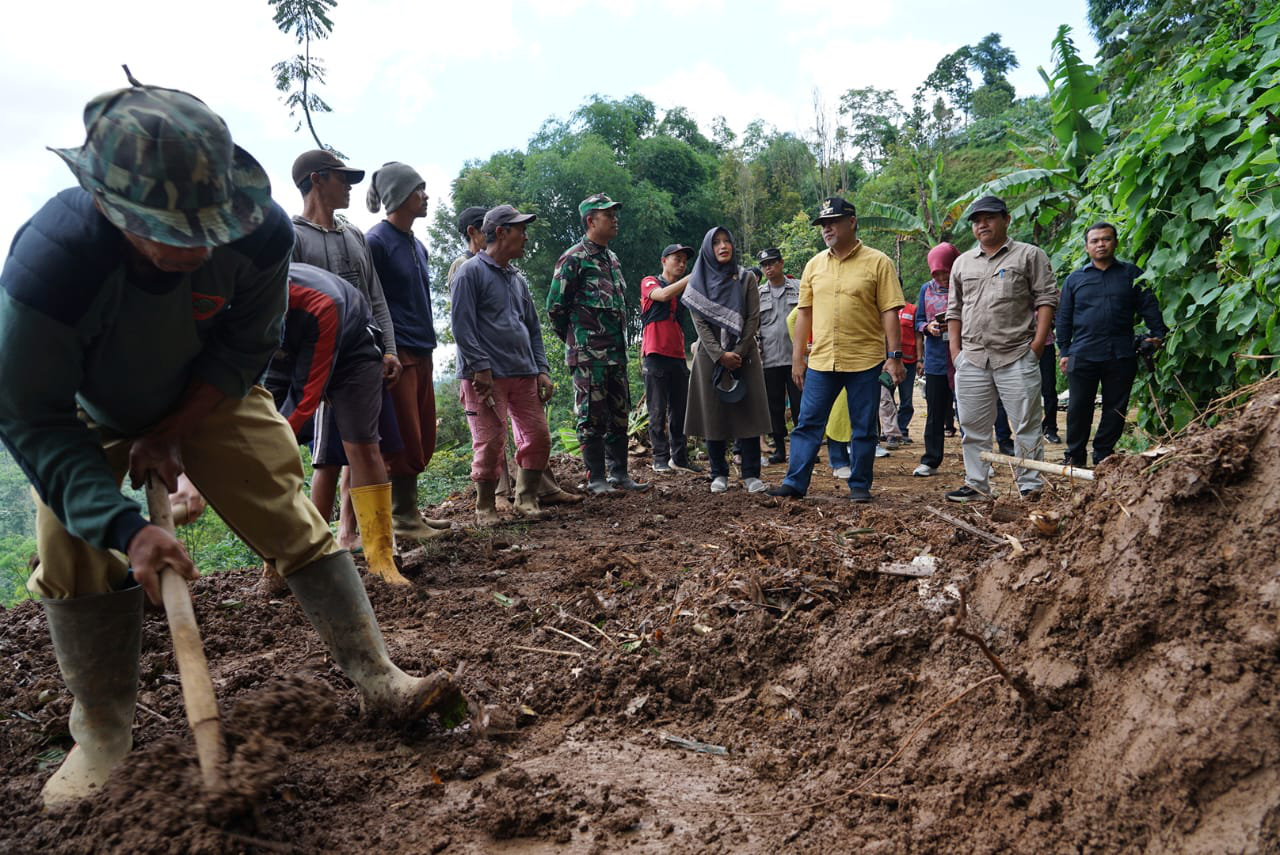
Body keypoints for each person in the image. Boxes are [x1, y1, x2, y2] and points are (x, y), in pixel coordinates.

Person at [0, 80, 463, 808]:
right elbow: (33, 419)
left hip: (205, 390)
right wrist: (130, 528)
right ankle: (102, 735)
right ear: (112, 209)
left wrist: (176, 428)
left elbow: (245, 347)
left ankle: (377, 674)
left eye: (205, 225)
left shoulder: (259, 233)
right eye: (168, 230)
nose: (194, 244)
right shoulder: (50, 268)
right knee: (70, 550)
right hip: (85, 411)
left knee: (284, 504)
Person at [268, 262, 423, 582]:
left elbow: (306, 399)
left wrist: (268, 447)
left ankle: (381, 557)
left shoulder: (320, 303)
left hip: (354, 349)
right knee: (265, 430)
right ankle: (279, 562)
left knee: (361, 446)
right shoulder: (236, 303)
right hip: (286, 347)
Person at [290, 149, 403, 549]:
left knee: (368, 449)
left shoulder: (354, 234)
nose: (352, 188)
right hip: (318, 361)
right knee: (325, 458)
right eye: (343, 180)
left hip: (363, 357)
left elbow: (376, 297)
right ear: (317, 180)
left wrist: (388, 349)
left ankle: (379, 551)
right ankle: (311, 551)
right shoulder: (293, 237)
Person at [768, 197, 905, 503]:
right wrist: (797, 359)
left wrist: (894, 357)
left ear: (852, 222)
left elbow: (890, 311)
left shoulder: (878, 262)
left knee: (863, 427)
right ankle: (795, 483)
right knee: (808, 424)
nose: (826, 229)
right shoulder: (814, 265)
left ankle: (859, 485)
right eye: (823, 225)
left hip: (865, 361)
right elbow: (804, 313)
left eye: (833, 222)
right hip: (821, 361)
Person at [450, 205, 582, 508]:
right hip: (486, 377)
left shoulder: (516, 279)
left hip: (523, 373)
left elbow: (533, 329)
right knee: (490, 442)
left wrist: (542, 369)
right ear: (500, 232)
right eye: (520, 230)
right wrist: (480, 367)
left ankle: (526, 498)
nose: (526, 237)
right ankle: (485, 507)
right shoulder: (469, 272)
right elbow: (462, 326)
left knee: (538, 437)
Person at [945, 195, 1059, 502]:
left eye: (989, 218)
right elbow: (953, 310)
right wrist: (956, 352)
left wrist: (1036, 346)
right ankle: (977, 483)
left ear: (1006, 220)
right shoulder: (962, 263)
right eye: (976, 220)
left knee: (1026, 423)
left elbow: (1047, 299)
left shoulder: (1029, 256)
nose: (982, 224)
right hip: (972, 358)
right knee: (972, 426)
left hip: (1016, 354)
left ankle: (1030, 485)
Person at [365, 162, 452, 540]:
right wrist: (385, 350)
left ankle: (411, 511)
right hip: (396, 351)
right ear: (400, 195)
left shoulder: (417, 245)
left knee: (420, 436)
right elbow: (369, 299)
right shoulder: (376, 242)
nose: (426, 196)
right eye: (420, 189)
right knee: (401, 435)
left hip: (423, 346)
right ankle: (401, 518)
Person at [548, 193, 649, 494]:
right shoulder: (573, 259)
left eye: (615, 213)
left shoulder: (613, 259)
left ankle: (620, 474)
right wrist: (578, 342)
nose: (615, 219)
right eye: (608, 215)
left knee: (620, 414)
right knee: (591, 417)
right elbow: (556, 308)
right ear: (591, 221)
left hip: (616, 354)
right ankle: (596, 478)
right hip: (588, 355)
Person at [1057, 222, 1167, 466]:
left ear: (1115, 243)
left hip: (1121, 352)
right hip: (1082, 352)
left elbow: (1149, 306)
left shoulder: (1131, 274)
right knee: (1077, 408)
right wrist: (1064, 351)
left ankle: (1103, 454)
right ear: (1086, 247)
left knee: (1115, 408)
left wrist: (1157, 335)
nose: (1100, 244)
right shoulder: (1075, 279)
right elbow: (1064, 318)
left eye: (1106, 239)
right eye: (1095, 241)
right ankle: (1074, 456)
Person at [682, 227, 773, 493]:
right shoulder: (696, 281)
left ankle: (751, 474)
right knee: (714, 414)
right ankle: (718, 473)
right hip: (710, 357)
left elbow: (753, 318)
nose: (723, 246)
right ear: (707, 249)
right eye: (716, 243)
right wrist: (719, 355)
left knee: (748, 413)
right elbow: (699, 322)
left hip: (743, 355)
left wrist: (739, 352)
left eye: (727, 241)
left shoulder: (745, 279)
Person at [640, 243, 701, 473]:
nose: (682, 264)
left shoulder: (684, 290)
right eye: (677, 258)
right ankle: (660, 459)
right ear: (664, 261)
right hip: (655, 354)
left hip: (677, 355)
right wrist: (693, 277)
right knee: (657, 410)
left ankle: (680, 457)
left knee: (680, 409)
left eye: (685, 260)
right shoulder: (649, 282)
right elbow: (663, 295)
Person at [913, 243, 960, 477]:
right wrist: (927, 326)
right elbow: (918, 320)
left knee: (970, 413)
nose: (942, 277)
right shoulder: (926, 289)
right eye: (937, 273)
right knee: (934, 414)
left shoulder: (965, 286)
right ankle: (931, 460)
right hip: (935, 360)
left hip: (963, 358)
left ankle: (981, 462)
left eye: (946, 271)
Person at [755, 247, 802, 464]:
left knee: (800, 404)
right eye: (764, 265)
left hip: (797, 359)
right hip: (769, 359)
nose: (768, 268)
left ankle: (803, 449)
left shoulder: (799, 287)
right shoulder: (757, 294)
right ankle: (780, 449)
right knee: (773, 406)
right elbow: (753, 326)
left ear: (781, 263)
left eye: (772, 263)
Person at [882, 299, 920, 449]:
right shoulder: (883, 309)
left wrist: (920, 358)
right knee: (886, 398)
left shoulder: (912, 309)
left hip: (909, 362)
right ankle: (889, 432)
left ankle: (902, 429)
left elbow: (917, 335)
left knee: (906, 399)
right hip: (887, 363)